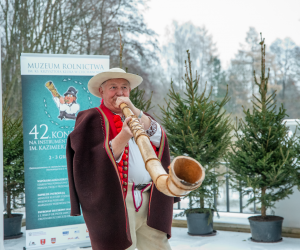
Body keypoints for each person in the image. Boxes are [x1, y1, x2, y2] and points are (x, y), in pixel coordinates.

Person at [66, 68, 179, 250]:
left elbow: (160, 138)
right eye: (113, 87)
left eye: (124, 87)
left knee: (159, 246)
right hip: (117, 202)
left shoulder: (140, 116)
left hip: (150, 198)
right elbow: (90, 163)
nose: (119, 92)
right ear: (101, 91)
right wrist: (123, 136)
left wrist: (135, 112)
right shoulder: (90, 118)